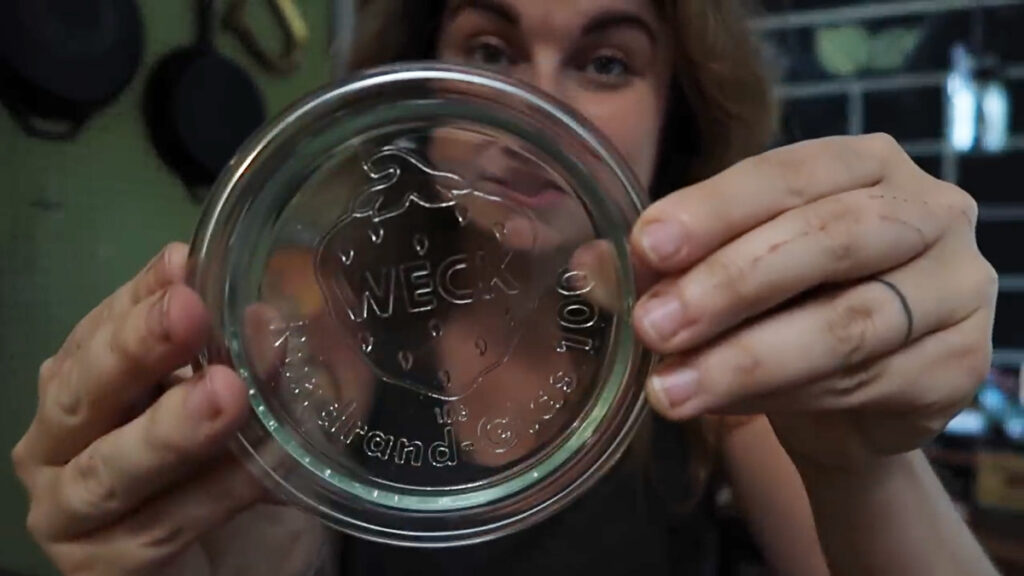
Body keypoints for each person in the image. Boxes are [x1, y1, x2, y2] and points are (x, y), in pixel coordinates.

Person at [11, 0, 1003, 574]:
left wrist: (866, 463)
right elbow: (279, 532)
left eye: (606, 62)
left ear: (678, 116)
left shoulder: (720, 359)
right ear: (419, 85)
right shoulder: (327, 303)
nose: (525, 105)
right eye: (487, 50)